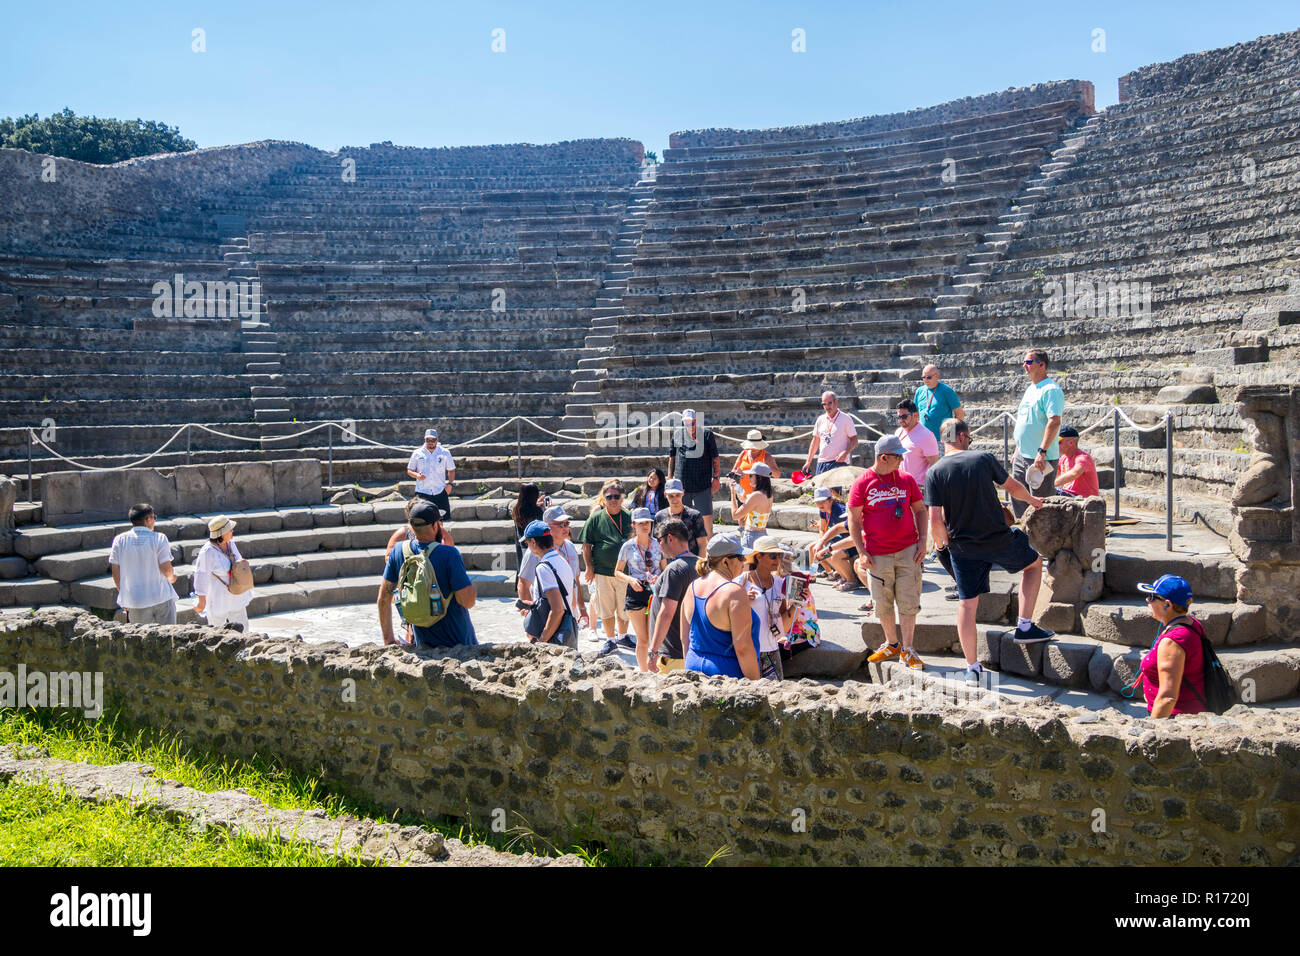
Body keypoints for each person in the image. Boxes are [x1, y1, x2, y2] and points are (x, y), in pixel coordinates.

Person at [925, 418, 1052, 685]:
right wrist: (1033, 501)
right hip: (997, 538)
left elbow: (935, 521)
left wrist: (942, 546)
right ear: (961, 437)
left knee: (966, 604)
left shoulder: (934, 472)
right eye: (968, 438)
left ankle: (972, 667)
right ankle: (1025, 626)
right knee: (1034, 564)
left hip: (962, 546)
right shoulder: (982, 458)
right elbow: (1013, 487)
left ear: (944, 440)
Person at [848, 436, 927, 669]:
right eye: (898, 456)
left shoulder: (906, 480)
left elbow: (920, 510)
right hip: (877, 554)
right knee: (882, 603)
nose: (902, 460)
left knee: (909, 600)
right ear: (884, 457)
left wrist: (923, 541)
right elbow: (853, 519)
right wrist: (861, 552)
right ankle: (892, 643)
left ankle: (908, 648)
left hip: (908, 550)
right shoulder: (863, 483)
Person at [378, 500, 477, 647]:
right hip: (458, 642)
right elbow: (467, 601)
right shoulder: (449, 554)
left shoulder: (398, 551)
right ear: (436, 525)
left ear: (411, 526)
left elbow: (383, 599)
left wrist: (389, 640)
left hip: (423, 644)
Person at [681, 534, 761, 680]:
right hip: (725, 673)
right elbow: (743, 648)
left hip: (692, 665)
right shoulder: (734, 592)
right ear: (725, 562)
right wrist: (756, 685)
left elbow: (684, 638)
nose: (744, 561)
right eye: (740, 557)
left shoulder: (692, 586)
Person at [1137, 574, 1207, 718]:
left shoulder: (1173, 641)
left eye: (1152, 596)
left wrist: (1152, 731)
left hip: (1175, 718)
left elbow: (1168, 698)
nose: (1147, 600)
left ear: (1167, 604)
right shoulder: (1191, 623)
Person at [579, 479, 633, 651]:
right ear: (604, 498)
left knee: (624, 609)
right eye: (609, 497)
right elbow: (586, 545)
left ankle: (623, 637)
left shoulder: (629, 517)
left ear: (622, 497)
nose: (613, 500)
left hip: (625, 572)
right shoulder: (596, 518)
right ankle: (610, 640)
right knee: (607, 609)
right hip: (602, 571)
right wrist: (589, 567)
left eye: (616, 496)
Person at [1011, 349, 1065, 518]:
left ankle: (1044, 541)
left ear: (1042, 365)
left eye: (1028, 362)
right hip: (1022, 453)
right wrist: (1017, 449)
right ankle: (1024, 535)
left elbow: (1054, 421)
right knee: (1019, 496)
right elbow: (1024, 421)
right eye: (1024, 362)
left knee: (1042, 502)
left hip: (1041, 456)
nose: (1024, 366)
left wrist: (1042, 452)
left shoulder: (1050, 390)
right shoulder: (1031, 389)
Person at [517, 505, 587, 629]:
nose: (566, 528)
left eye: (567, 523)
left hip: (569, 612)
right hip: (546, 613)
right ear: (548, 527)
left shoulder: (570, 547)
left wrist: (581, 608)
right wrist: (532, 616)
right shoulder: (534, 552)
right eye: (560, 524)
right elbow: (523, 583)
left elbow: (575, 581)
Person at [109, 503, 178, 625]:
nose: (154, 521)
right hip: (161, 596)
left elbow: (116, 573)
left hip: (136, 600)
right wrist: (172, 578)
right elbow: (166, 569)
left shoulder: (119, 540)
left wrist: (124, 595)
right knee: (169, 638)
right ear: (148, 519)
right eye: (154, 517)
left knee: (140, 641)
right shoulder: (159, 538)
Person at [615, 508, 665, 670]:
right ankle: (643, 673)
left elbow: (664, 569)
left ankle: (653, 669)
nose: (645, 525)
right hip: (636, 592)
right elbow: (617, 571)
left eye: (647, 522)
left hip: (654, 591)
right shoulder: (628, 547)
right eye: (641, 523)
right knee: (642, 638)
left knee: (653, 637)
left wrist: (660, 578)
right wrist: (630, 579)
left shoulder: (658, 544)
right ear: (633, 525)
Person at [738, 536, 793, 680]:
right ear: (758, 557)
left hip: (772, 649)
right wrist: (743, 601)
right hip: (748, 649)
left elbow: (783, 627)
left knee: (776, 697)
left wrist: (796, 605)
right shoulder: (742, 581)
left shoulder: (780, 583)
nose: (777, 560)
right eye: (773, 556)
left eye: (779, 556)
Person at [519, 520, 579, 648]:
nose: (528, 546)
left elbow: (557, 610)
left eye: (527, 542)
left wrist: (542, 640)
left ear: (533, 542)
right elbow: (567, 599)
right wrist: (535, 605)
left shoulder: (544, 567)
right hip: (566, 632)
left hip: (554, 637)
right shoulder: (561, 560)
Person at [648, 519, 696, 673]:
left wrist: (653, 650)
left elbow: (667, 613)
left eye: (659, 540)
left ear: (670, 538)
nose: (659, 544)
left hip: (672, 656)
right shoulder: (702, 564)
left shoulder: (674, 569)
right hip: (691, 651)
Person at [193, 515, 253, 632]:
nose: (232, 531)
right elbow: (201, 576)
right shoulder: (207, 552)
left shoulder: (231, 544)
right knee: (217, 633)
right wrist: (201, 601)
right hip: (218, 599)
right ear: (221, 533)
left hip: (236, 595)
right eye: (229, 529)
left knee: (243, 631)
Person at [667, 408, 720, 535]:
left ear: (696, 421)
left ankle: (709, 551)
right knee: (680, 519)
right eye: (686, 422)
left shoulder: (707, 434)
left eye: (691, 422)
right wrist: (669, 477)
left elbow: (715, 458)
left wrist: (716, 478)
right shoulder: (677, 434)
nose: (689, 425)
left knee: (706, 519)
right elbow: (672, 457)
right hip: (682, 484)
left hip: (702, 483)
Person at [803, 390, 858, 476]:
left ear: (836, 402)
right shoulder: (820, 419)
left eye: (829, 403)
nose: (827, 407)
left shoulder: (846, 418)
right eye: (824, 404)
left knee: (834, 490)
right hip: (822, 462)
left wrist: (845, 453)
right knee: (820, 489)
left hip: (838, 462)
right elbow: (815, 441)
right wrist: (808, 462)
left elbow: (854, 440)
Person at [407, 428, 456, 520]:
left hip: (440, 491)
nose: (430, 442)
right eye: (427, 440)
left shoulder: (445, 452)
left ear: (437, 440)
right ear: (424, 440)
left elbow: (451, 470)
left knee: (440, 521)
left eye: (432, 440)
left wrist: (450, 484)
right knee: (422, 521)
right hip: (422, 492)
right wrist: (417, 475)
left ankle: (439, 535)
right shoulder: (417, 453)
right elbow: (409, 470)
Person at [653, 478, 708, 556]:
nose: (675, 499)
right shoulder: (659, 516)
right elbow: (656, 545)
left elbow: (702, 544)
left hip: (690, 562)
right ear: (665, 495)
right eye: (671, 496)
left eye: (677, 495)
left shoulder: (694, 515)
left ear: (683, 493)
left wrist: (699, 566)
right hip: (667, 563)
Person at [895, 399, 940, 489]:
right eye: (898, 417)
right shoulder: (898, 432)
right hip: (900, 484)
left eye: (904, 417)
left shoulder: (926, 435)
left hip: (918, 487)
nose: (901, 420)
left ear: (915, 415)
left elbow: (934, 465)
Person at [914, 365, 964, 444]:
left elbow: (959, 414)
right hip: (923, 439)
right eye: (923, 377)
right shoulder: (919, 391)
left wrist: (948, 435)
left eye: (928, 377)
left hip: (942, 440)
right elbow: (915, 414)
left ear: (936, 376)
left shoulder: (947, 391)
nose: (925, 380)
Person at [729, 462, 774, 548]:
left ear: (759, 477)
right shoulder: (769, 494)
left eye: (751, 476)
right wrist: (738, 487)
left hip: (751, 537)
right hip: (763, 535)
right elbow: (746, 499)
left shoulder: (755, 496)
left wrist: (732, 495)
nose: (748, 478)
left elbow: (735, 516)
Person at [1054, 426, 1101, 498]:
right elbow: (1053, 474)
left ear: (1071, 443)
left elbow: (1074, 474)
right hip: (1069, 494)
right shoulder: (1063, 459)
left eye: (1059, 442)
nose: (1055, 445)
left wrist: (1051, 485)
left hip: (1084, 499)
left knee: (1049, 491)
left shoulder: (1083, 458)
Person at [731, 430, 781, 496]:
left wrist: (768, 467)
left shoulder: (766, 456)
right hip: (742, 494)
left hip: (760, 496)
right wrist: (738, 475)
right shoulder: (743, 453)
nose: (753, 448)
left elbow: (777, 475)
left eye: (755, 446)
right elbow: (733, 471)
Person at [511, 483, 546, 575]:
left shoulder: (516, 509)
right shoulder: (536, 511)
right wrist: (545, 511)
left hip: (522, 545)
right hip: (534, 547)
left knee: (524, 572)